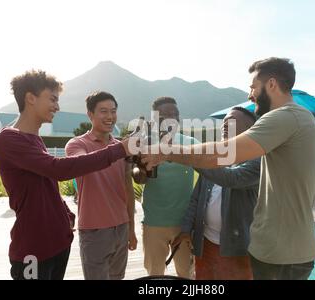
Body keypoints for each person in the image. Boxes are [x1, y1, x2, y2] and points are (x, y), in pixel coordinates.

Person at [139, 58, 315, 280]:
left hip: (284, 254)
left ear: (271, 84)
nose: (250, 94)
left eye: (253, 86)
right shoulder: (290, 120)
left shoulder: (286, 116)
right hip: (273, 250)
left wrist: (167, 151)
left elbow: (224, 154)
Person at [0, 70, 131, 280]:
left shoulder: (34, 139)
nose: (57, 106)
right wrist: (121, 149)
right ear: (31, 98)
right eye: (53, 99)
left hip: (57, 243)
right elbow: (58, 170)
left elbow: (45, 183)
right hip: (32, 249)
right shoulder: (9, 140)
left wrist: (65, 213)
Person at [174, 106, 260, 280]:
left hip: (237, 249)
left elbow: (231, 178)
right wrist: (185, 229)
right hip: (205, 243)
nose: (225, 125)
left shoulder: (256, 160)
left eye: (232, 121)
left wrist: (184, 155)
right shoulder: (216, 159)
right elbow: (196, 198)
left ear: (250, 130)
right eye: (224, 121)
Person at [65, 91, 137, 280]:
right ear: (90, 114)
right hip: (94, 231)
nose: (110, 117)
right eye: (103, 111)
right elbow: (80, 163)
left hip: (121, 227)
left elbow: (128, 188)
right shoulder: (76, 144)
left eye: (113, 111)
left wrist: (131, 228)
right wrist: (120, 149)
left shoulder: (121, 147)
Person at [132, 97, 196, 279]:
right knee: (154, 275)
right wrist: (142, 170)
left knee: (187, 274)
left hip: (184, 224)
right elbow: (138, 177)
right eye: (166, 115)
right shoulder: (145, 143)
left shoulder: (191, 142)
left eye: (175, 114)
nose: (172, 118)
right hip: (154, 222)